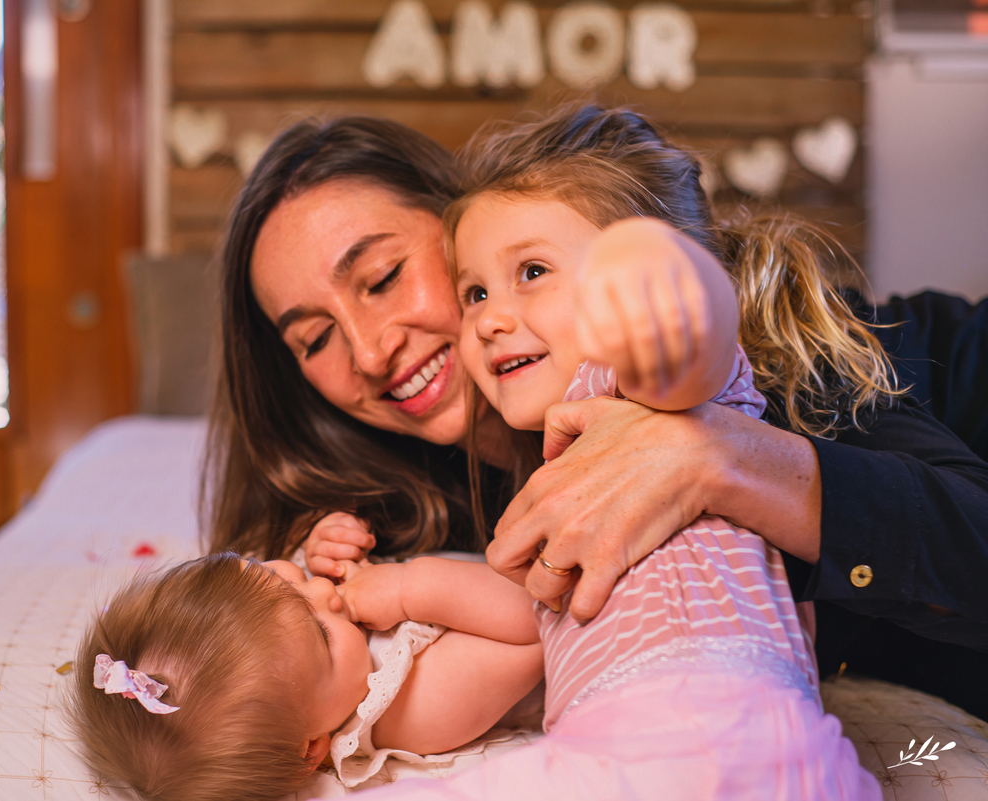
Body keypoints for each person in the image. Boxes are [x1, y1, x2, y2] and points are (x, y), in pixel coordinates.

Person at [209, 109, 988, 715]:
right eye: (315, 339)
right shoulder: (399, 514)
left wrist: (719, 455)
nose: (371, 351)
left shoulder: (756, 348)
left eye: (383, 277)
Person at [68, 553, 544, 801]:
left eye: (273, 575)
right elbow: (536, 623)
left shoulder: (317, 668)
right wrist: (406, 588)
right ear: (311, 747)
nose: (322, 589)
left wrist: (327, 541)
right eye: (322, 632)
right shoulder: (408, 709)